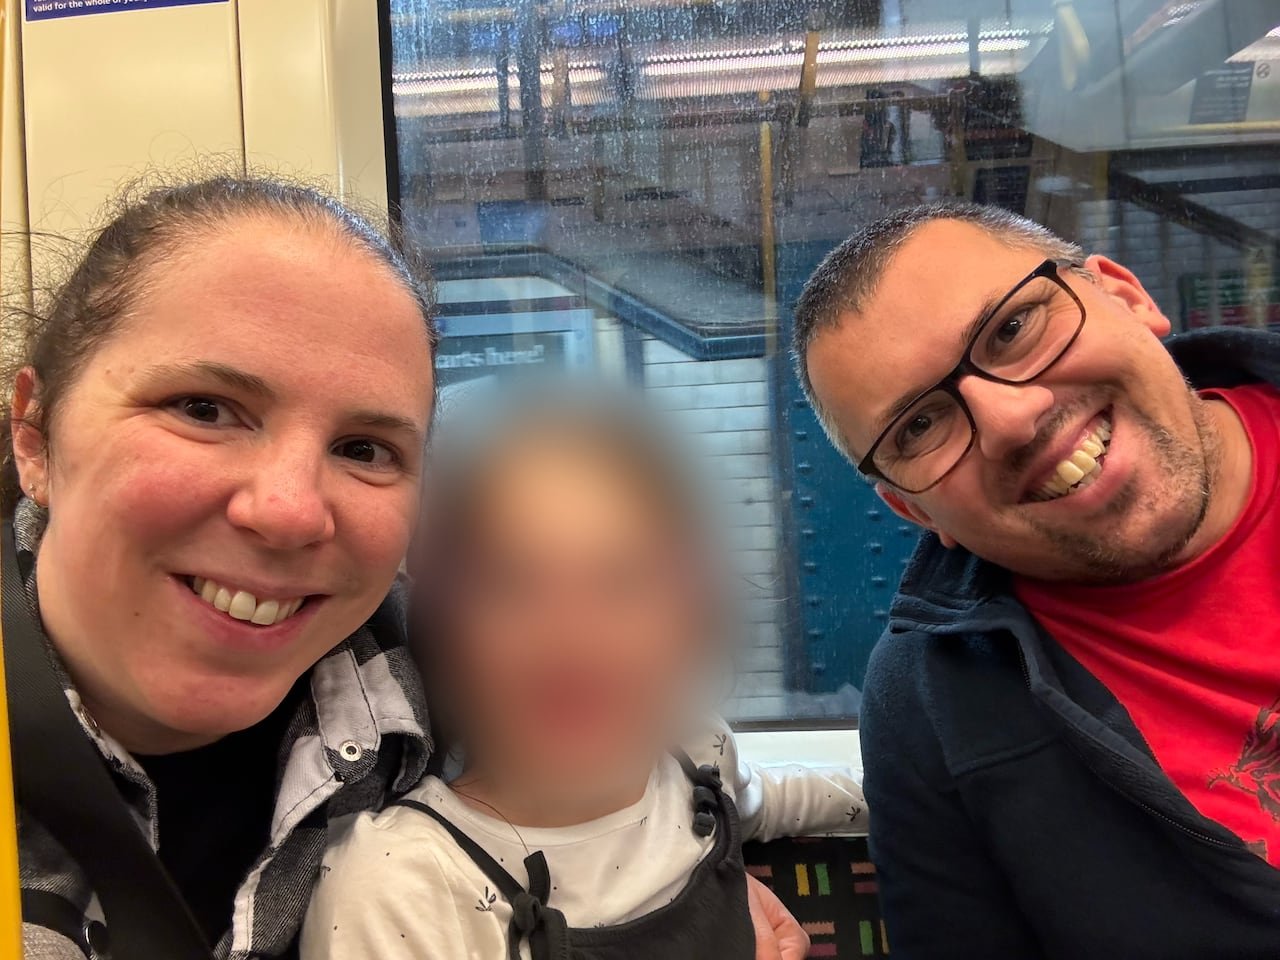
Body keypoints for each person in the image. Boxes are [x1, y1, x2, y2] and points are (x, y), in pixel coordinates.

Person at [8, 175, 809, 960]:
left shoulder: (436, 661)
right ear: (34, 434)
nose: (289, 511)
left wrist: (686, 877)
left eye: (364, 449)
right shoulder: (397, 868)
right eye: (203, 409)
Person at [791, 201, 1280, 958]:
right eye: (920, 425)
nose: (1012, 418)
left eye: (1013, 329)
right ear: (914, 511)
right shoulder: (931, 705)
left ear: (1126, 295)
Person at [300, 391, 866, 959]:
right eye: (510, 586)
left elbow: (769, 802)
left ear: (690, 616)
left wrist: (905, 787)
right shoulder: (397, 885)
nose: (574, 641)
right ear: (443, 627)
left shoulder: (694, 752)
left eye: (623, 584)